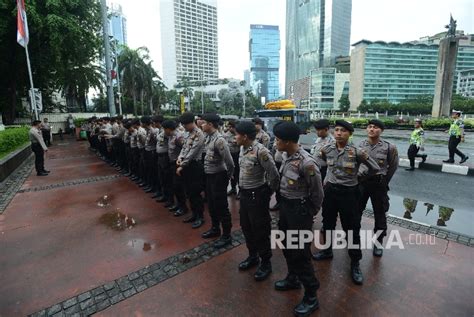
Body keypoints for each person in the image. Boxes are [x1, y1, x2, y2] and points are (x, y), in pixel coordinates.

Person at [313, 120, 380, 285]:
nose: (338, 133)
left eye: (342, 130)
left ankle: (355, 262)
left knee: (351, 229)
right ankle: (327, 250)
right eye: (336, 130)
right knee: (327, 223)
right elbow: (317, 162)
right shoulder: (327, 149)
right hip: (330, 192)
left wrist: (359, 177)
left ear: (349, 134)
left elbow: (374, 168)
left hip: (349, 194)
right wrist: (327, 178)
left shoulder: (357, 152)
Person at [273, 121, 324, 317]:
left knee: (300, 253)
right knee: (287, 246)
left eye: (277, 140)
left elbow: (317, 193)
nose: (275, 142)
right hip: (286, 208)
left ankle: (312, 296)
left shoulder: (307, 162)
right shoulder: (286, 156)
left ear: (286, 141)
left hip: (300, 211)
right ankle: (292, 278)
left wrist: (308, 212)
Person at [235, 121, 279, 281]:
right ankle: (253, 256)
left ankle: (266, 262)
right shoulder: (242, 148)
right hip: (245, 195)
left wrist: (267, 192)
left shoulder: (261, 151)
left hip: (257, 195)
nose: (235, 137)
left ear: (245, 136)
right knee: (246, 227)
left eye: (237, 134)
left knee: (260, 230)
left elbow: (274, 174)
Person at [357, 119, 399, 256]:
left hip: (379, 184)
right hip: (362, 183)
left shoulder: (389, 147)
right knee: (356, 212)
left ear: (381, 130)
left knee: (380, 214)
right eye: (369, 127)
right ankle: (353, 239)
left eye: (375, 127)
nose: (371, 129)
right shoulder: (360, 145)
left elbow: (393, 166)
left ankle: (378, 243)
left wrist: (384, 181)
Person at [201, 113, 235, 248]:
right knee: (211, 204)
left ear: (210, 124)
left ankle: (227, 235)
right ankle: (215, 228)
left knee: (221, 206)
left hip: (218, 176)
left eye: (204, 123)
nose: (201, 125)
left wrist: (226, 178)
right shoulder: (208, 138)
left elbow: (230, 163)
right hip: (209, 176)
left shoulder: (219, 140)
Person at [177, 112, 206, 229]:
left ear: (191, 122)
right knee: (189, 192)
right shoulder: (187, 134)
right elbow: (184, 148)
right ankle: (194, 214)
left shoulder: (199, 134)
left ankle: (200, 217)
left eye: (185, 125)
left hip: (195, 166)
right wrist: (179, 158)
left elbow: (193, 152)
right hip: (187, 166)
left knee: (195, 193)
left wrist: (182, 165)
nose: (183, 127)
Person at [163, 119, 188, 217]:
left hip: (178, 164)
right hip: (172, 163)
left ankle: (183, 207)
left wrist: (181, 163)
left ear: (169, 129)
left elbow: (185, 150)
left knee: (179, 187)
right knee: (174, 186)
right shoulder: (171, 136)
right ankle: (179, 205)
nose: (164, 131)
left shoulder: (178, 137)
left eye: (165, 129)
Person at [224, 120, 240, 196]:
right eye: (229, 127)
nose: (231, 129)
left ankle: (240, 190)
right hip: (230, 155)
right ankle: (233, 188)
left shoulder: (239, 134)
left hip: (238, 155)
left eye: (232, 127)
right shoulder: (226, 135)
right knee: (232, 173)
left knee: (239, 173)